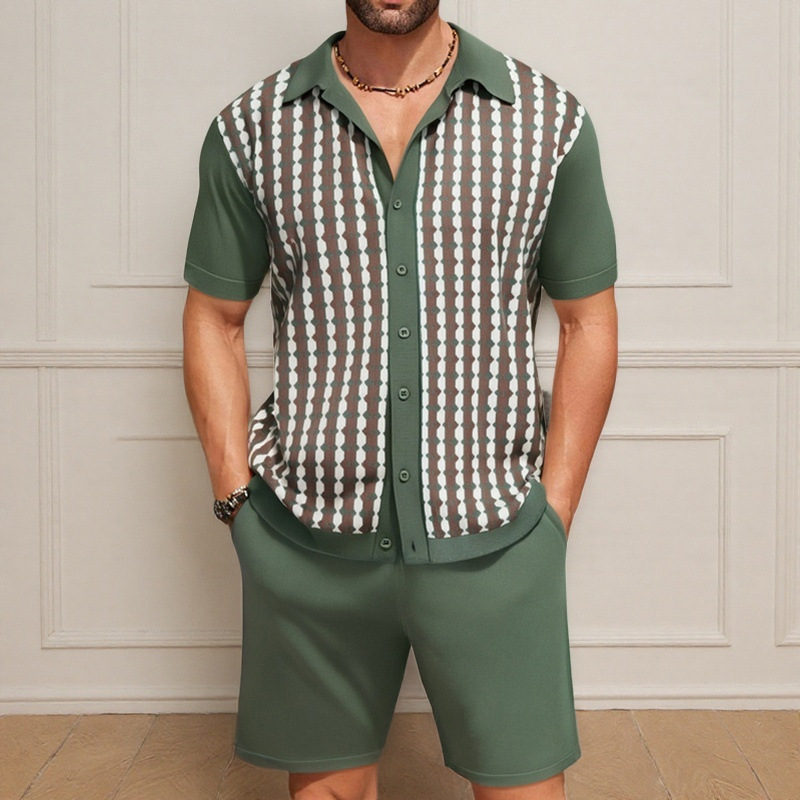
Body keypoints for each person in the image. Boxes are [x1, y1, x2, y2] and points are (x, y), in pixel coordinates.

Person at [182, 1, 618, 798]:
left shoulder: (548, 121)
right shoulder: (252, 128)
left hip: (496, 546)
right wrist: (235, 502)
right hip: (308, 546)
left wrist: (553, 514)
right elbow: (215, 317)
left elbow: (589, 321)